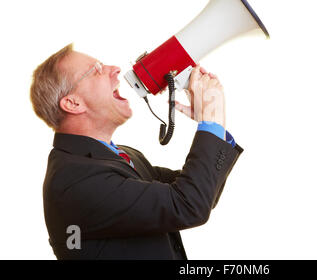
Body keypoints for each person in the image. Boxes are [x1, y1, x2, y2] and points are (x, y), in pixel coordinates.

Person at [29, 44, 243, 259]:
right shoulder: (74, 180)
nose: (114, 69)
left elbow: (201, 191)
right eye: (96, 69)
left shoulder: (124, 155)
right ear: (73, 103)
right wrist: (211, 123)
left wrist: (216, 128)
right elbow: (188, 204)